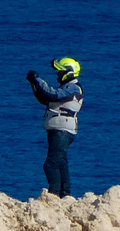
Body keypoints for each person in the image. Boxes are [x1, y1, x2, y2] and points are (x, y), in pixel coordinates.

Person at [26, 57, 83, 197]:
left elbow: (51, 94)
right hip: (59, 130)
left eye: (60, 72)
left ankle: (54, 194)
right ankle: (65, 194)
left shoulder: (72, 88)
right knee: (61, 162)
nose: (58, 74)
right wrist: (33, 83)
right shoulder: (67, 88)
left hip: (62, 131)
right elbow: (44, 99)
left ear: (67, 73)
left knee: (50, 164)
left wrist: (38, 80)